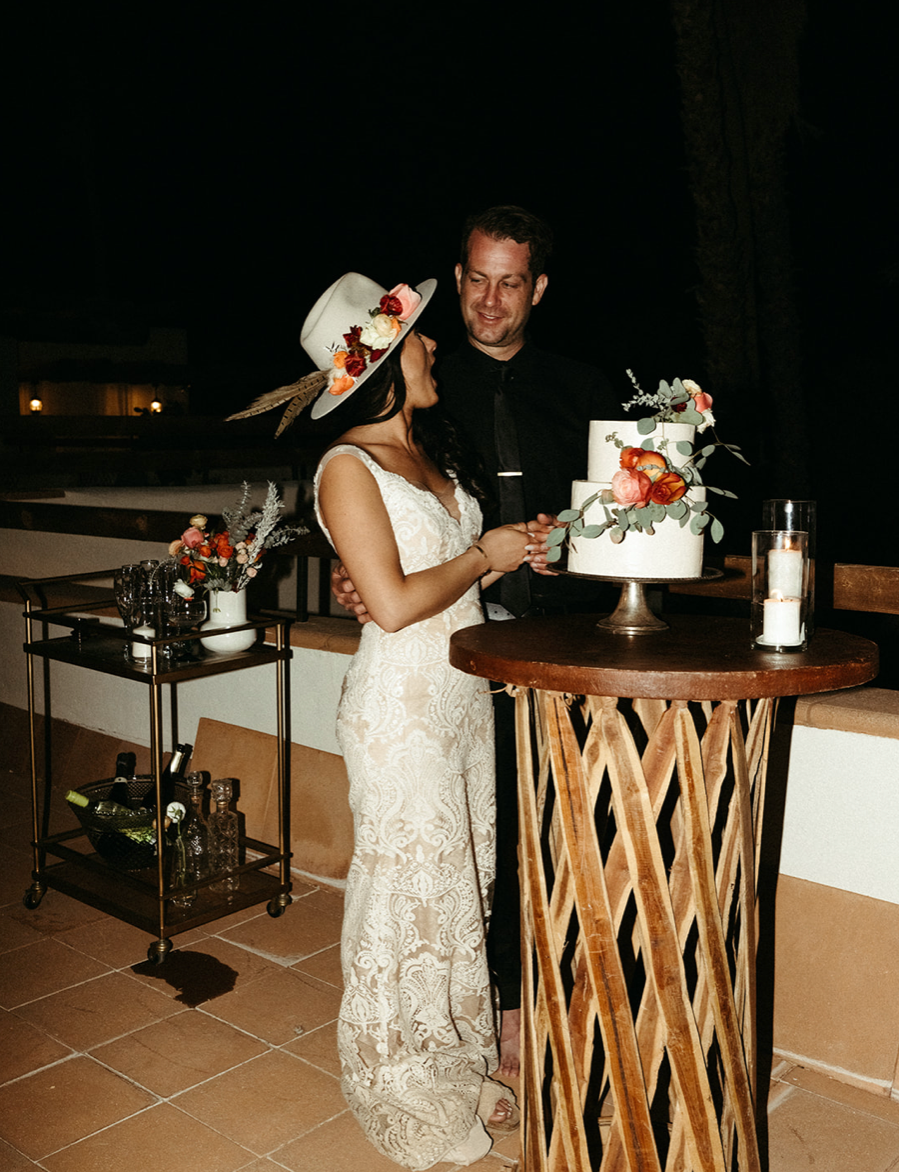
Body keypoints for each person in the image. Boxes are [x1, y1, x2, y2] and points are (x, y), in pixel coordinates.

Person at [333, 207, 623, 1078]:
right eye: (474, 279)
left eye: (509, 283)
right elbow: (372, 508)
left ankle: (569, 994)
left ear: (537, 289)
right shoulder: (416, 383)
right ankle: (495, 1013)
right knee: (473, 844)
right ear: (454, 278)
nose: (488, 300)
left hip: (572, 642)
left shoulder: (587, 391)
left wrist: (579, 550)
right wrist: (355, 578)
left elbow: (626, 518)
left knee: (572, 828)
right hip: (456, 657)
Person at [302, 271, 529, 1169]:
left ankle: (452, 1056)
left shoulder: (429, 454)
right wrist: (481, 555)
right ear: (391, 361)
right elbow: (392, 606)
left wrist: (506, 556)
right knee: (406, 894)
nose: (434, 346)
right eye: (421, 339)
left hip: (463, 700)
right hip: (401, 707)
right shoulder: (345, 467)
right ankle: (396, 1073)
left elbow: (442, 577)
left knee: (457, 889)